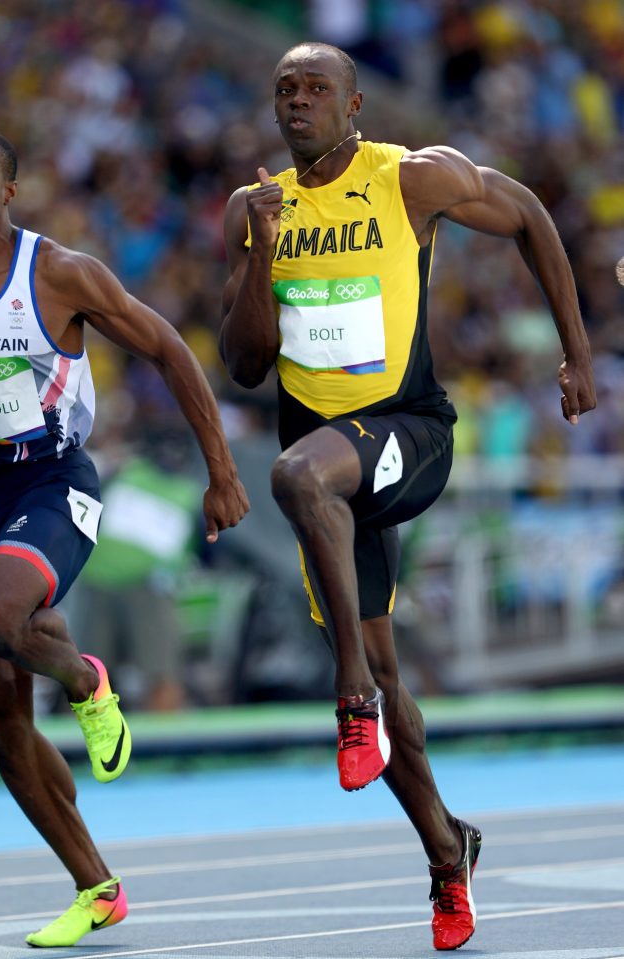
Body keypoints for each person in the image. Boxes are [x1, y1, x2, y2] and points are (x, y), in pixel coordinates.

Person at [219, 42, 596, 952]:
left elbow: (532, 216)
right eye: (284, 91)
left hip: (407, 434)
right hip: (329, 488)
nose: (297, 101)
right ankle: (445, 849)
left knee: (296, 477)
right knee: (396, 684)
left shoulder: (412, 180)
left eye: (316, 88)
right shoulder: (254, 207)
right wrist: (262, 251)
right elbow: (241, 362)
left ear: (355, 104)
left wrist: (575, 351)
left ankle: (344, 695)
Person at [0, 127, 249, 949]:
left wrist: (220, 471)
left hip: (53, 481)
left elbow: (168, 348)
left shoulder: (57, 273)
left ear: (10, 190)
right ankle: (96, 886)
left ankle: (84, 677)